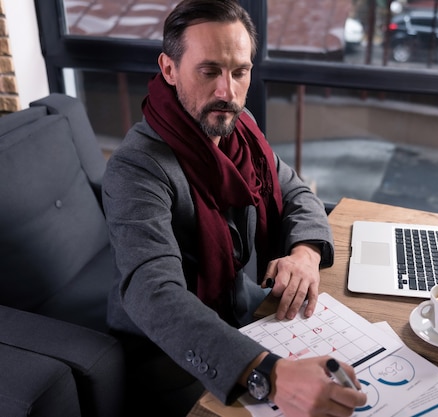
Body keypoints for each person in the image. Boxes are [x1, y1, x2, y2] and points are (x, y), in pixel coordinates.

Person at [102, 0, 367, 416]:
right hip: (170, 356)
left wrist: (304, 253)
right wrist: (272, 376)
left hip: (244, 315)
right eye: (209, 71)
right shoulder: (135, 168)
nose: (227, 91)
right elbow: (153, 292)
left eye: (239, 72)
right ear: (169, 70)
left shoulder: (240, 131)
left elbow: (296, 191)